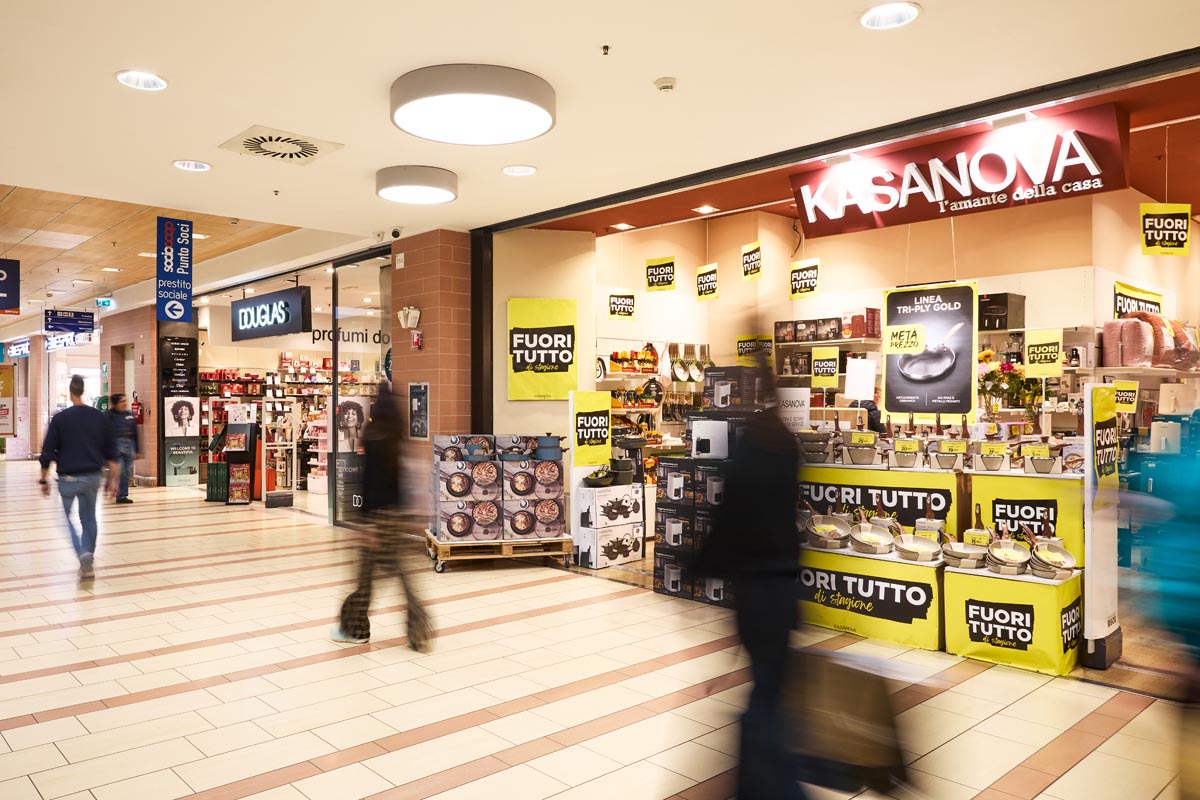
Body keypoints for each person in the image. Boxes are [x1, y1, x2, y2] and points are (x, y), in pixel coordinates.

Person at [694, 365, 803, 800]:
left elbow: (732, 513)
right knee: (771, 687)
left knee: (765, 696)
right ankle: (762, 784)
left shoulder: (752, 447)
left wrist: (701, 563)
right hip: (783, 585)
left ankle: (768, 786)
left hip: (756, 588)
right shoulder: (787, 445)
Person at [331, 382, 430, 651]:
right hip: (397, 515)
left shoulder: (373, 437)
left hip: (377, 518)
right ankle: (418, 630)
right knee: (402, 575)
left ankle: (356, 629)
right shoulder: (399, 437)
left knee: (365, 576)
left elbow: (368, 484)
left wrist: (365, 524)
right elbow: (405, 481)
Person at [39, 375, 120, 580]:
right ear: (83, 390)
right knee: (89, 518)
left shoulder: (60, 419)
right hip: (92, 477)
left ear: (70, 391)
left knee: (65, 518)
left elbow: (47, 452)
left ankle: (82, 553)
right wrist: (114, 480)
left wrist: (43, 479)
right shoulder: (99, 417)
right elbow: (112, 452)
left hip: (68, 478)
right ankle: (88, 558)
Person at [107, 393, 139, 503]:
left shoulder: (129, 415)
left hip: (129, 444)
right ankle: (119, 494)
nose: (124, 403)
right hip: (116, 445)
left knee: (127, 471)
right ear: (115, 403)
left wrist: (137, 449)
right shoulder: (108, 415)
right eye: (122, 401)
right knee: (121, 471)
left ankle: (122, 495)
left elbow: (135, 432)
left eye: (125, 401)